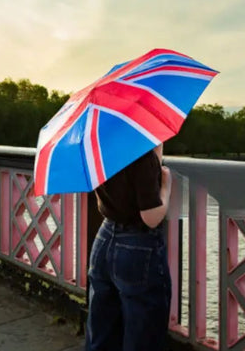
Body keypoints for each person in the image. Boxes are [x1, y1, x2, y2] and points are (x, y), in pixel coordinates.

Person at [85, 143, 172, 351]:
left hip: (104, 239)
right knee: (143, 333)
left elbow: (103, 202)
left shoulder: (100, 149)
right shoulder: (141, 153)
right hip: (137, 245)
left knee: (102, 329)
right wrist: (165, 188)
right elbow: (150, 217)